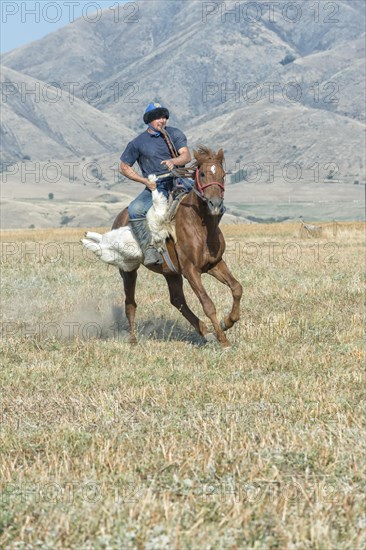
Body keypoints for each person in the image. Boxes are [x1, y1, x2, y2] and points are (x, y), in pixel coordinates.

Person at [119, 102, 191, 266]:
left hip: (180, 180)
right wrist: (145, 181)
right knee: (135, 209)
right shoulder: (137, 143)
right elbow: (124, 167)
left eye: (164, 117)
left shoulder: (174, 134)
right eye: (158, 117)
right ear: (150, 120)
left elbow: (186, 156)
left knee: (208, 195)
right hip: (156, 186)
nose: (163, 120)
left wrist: (174, 161)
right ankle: (148, 249)